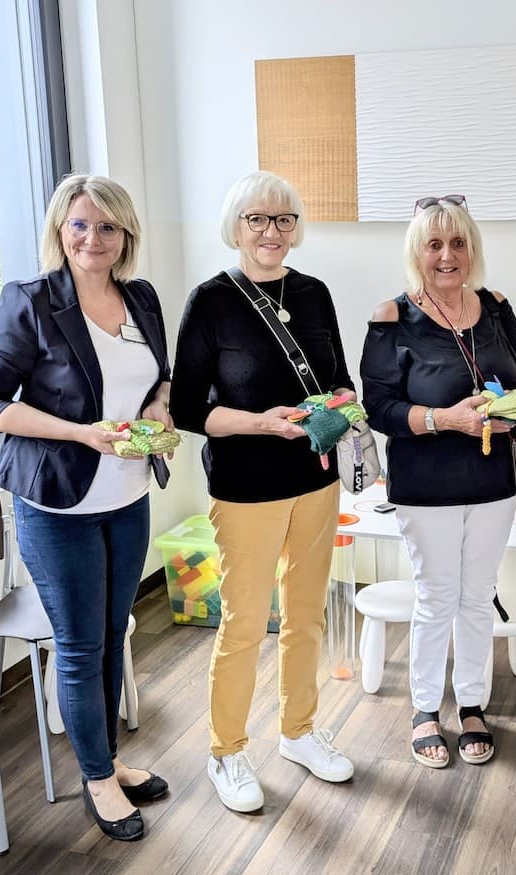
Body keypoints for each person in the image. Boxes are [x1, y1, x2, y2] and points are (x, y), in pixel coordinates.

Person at [0, 174, 172, 841]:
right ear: (60, 228)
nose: (93, 238)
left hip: (129, 493)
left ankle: (107, 757)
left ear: (126, 235)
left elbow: (158, 378)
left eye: (108, 227)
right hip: (56, 501)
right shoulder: (29, 302)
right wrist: (82, 433)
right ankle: (97, 779)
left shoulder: (139, 297)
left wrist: (157, 412)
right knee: (82, 646)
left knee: (115, 635)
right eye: (80, 224)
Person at [170, 171, 356, 813]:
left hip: (315, 477)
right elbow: (190, 410)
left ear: (295, 228)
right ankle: (226, 751)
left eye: (282, 220)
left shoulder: (315, 293)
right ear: (237, 226)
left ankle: (299, 732)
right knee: (245, 622)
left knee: (307, 614)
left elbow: (341, 382)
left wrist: (337, 407)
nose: (271, 231)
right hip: (245, 486)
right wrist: (262, 423)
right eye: (257, 219)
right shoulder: (211, 300)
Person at [360, 195, 516, 768]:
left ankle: (471, 705)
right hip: (426, 482)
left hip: (495, 476)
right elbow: (379, 408)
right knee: (436, 596)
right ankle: (422, 710)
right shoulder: (393, 316)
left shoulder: (494, 305)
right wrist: (448, 419)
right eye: (434, 244)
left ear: (472, 249)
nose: (447, 255)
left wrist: (512, 406)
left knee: (476, 593)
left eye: (458, 243)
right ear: (417, 251)